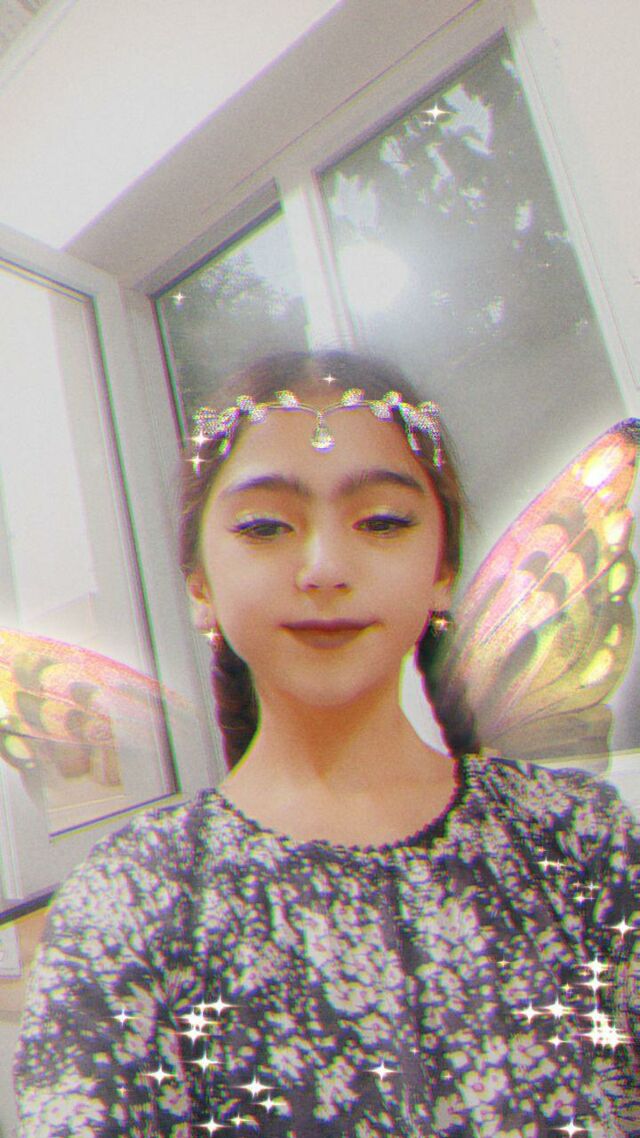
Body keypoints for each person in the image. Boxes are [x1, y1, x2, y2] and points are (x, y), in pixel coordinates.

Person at [14, 350, 640, 1136]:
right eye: (265, 527)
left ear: (442, 569)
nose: (324, 567)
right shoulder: (128, 901)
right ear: (200, 583)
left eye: (382, 522)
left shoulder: (579, 840)